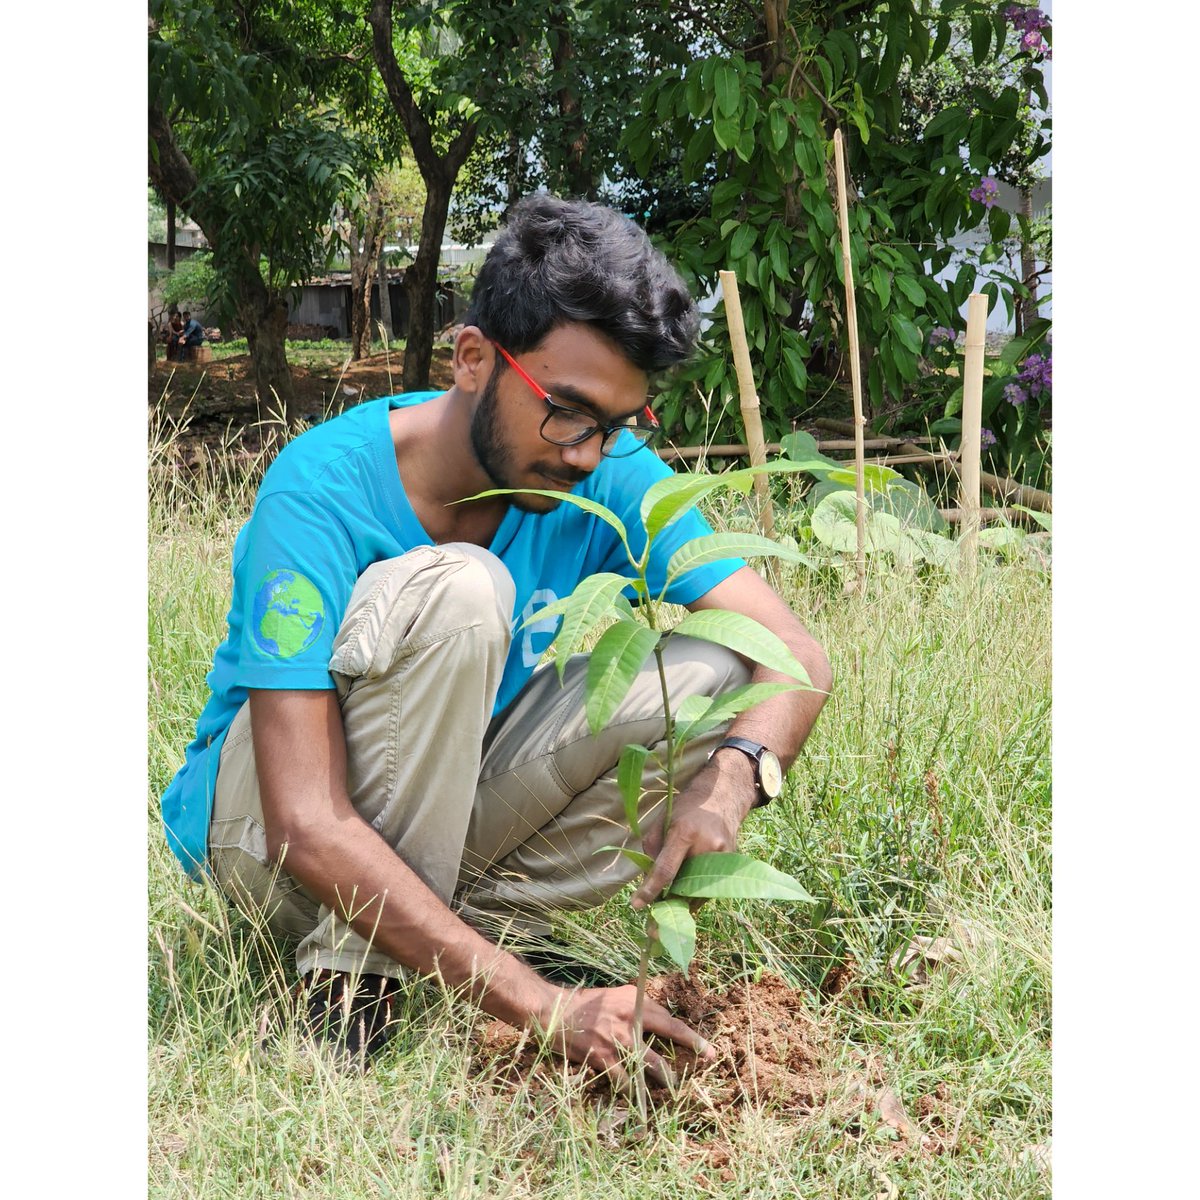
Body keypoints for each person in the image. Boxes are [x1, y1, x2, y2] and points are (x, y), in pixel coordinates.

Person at [159, 195, 832, 1079]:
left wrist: (735, 780)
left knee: (714, 672)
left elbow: (795, 648)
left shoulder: (603, 467)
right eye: (569, 411)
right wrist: (542, 1009)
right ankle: (353, 991)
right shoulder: (319, 490)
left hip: (441, 813)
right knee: (466, 589)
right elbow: (307, 817)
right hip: (261, 846)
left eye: (617, 425)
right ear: (473, 357)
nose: (588, 454)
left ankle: (472, 939)